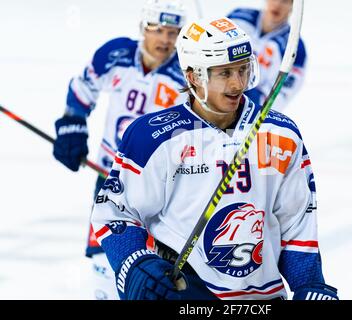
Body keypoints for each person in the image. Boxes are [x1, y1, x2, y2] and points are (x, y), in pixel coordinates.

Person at [90, 16, 338, 300]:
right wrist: (134, 263)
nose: (237, 84)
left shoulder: (280, 133)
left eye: (243, 70)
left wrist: (310, 283)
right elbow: (114, 212)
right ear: (194, 76)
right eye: (224, 73)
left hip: (262, 299)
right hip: (186, 293)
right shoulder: (154, 137)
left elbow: (296, 221)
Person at [52, 0, 188, 300]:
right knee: (104, 269)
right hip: (111, 180)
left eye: (173, 32)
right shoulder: (116, 54)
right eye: (160, 30)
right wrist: (72, 126)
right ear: (144, 27)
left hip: (165, 191)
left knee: (153, 277)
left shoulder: (186, 74)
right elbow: (82, 89)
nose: (166, 40)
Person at [227, 0, 307, 112]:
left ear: (293, 6)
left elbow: (280, 96)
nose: (277, 4)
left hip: (247, 108)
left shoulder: (294, 46)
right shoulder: (238, 18)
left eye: (285, 1)